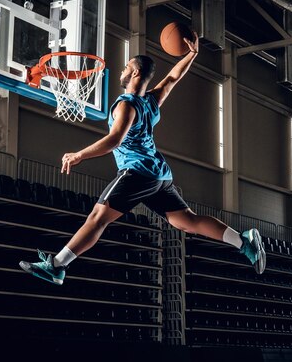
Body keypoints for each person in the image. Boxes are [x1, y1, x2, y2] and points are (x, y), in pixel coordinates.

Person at [19, 32, 265, 285]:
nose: (123, 71)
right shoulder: (151, 101)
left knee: (97, 217)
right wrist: (192, 54)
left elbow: (115, 139)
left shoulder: (127, 105)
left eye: (127, 67)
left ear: (135, 73)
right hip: (159, 174)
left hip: (137, 172)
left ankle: (57, 266)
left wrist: (79, 154)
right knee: (186, 221)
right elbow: (172, 78)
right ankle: (242, 241)